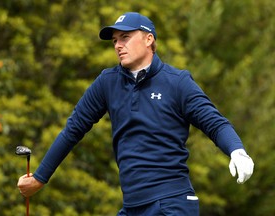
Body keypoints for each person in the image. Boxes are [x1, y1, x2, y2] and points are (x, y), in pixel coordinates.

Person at [17, 12, 254, 215]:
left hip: (173, 204)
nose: (118, 45)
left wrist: (237, 150)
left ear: (149, 39)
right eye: (115, 41)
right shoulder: (107, 82)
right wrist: (40, 177)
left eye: (125, 37)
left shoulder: (177, 82)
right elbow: (73, 129)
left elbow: (214, 123)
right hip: (132, 206)